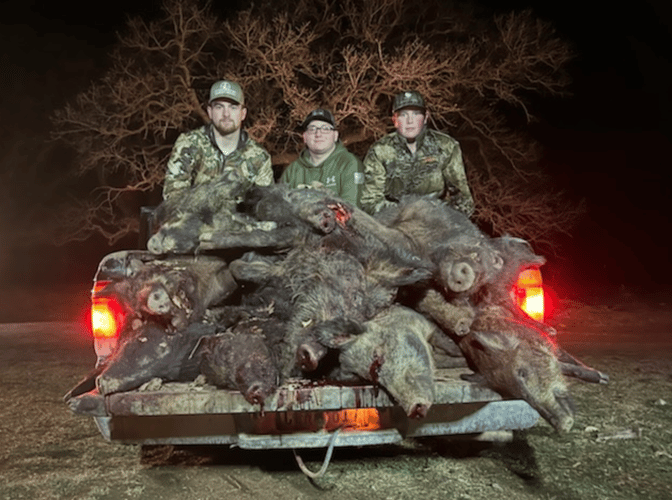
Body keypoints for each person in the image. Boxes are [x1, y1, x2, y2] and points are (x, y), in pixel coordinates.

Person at [360, 90, 474, 216]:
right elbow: (369, 201)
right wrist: (406, 215)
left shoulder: (446, 146)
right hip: (393, 223)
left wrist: (438, 216)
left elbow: (464, 200)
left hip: (437, 221)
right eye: (403, 115)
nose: (410, 121)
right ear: (394, 120)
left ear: (425, 117)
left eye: (415, 114)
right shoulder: (380, 150)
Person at [162, 80, 273, 200]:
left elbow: (267, 205)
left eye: (233, 107)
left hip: (239, 218)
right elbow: (173, 197)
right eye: (219, 107)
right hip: (195, 216)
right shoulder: (189, 144)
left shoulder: (259, 157)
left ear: (243, 114)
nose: (226, 114)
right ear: (210, 112)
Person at [280, 108, 364, 207]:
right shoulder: (292, 170)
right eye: (312, 129)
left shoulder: (349, 163)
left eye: (325, 129)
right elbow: (281, 207)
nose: (318, 134)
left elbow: (352, 209)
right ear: (305, 137)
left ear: (335, 136)